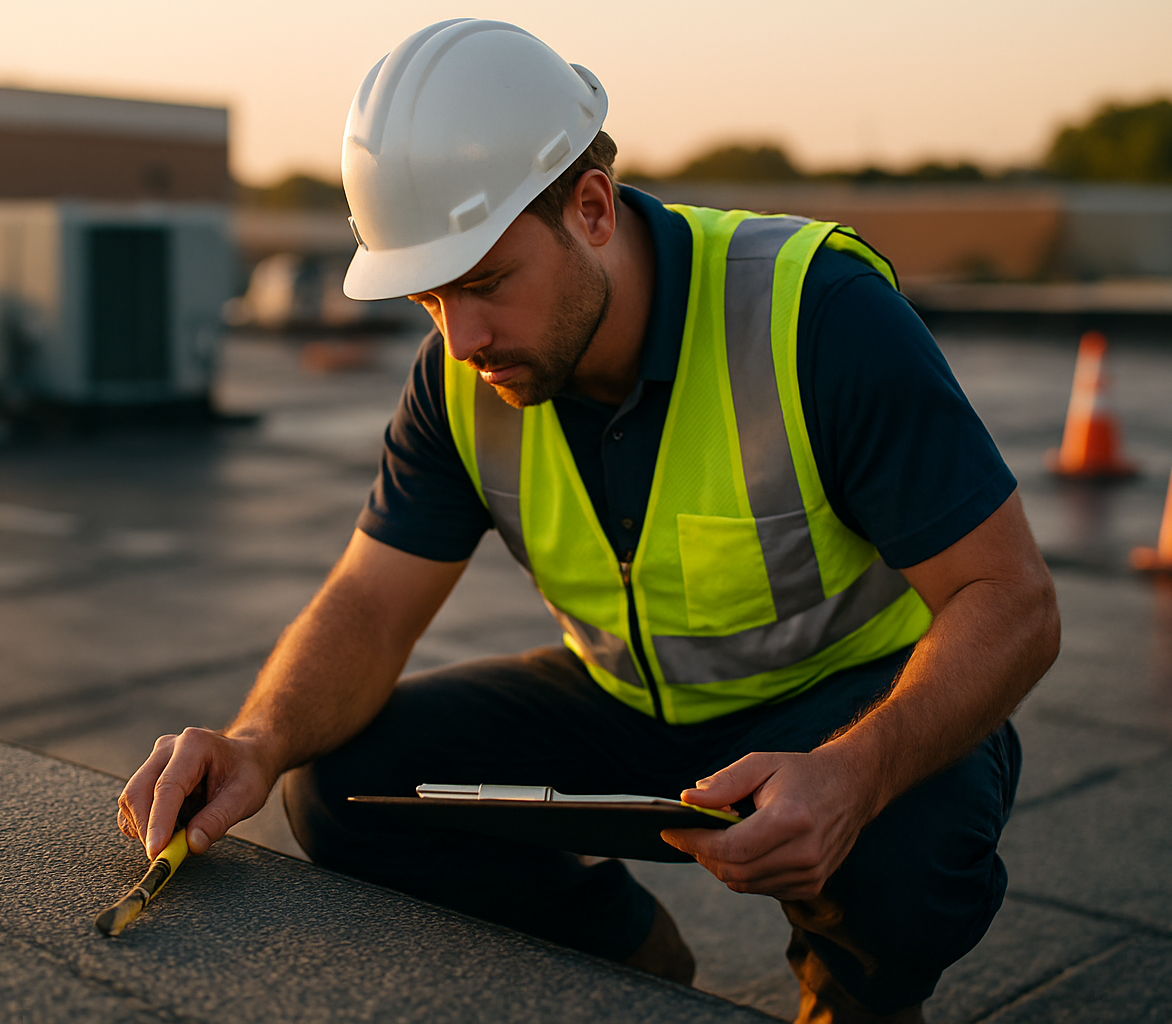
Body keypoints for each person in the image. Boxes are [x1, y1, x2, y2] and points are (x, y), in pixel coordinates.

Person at [118, 19, 1059, 1022]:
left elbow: (1013, 601)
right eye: (431, 297)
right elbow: (370, 602)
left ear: (594, 207)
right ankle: (627, 959)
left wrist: (856, 772)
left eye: (484, 282)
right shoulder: (460, 373)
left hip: (838, 706)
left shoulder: (815, 312)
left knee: (911, 842)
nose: (463, 335)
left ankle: (851, 1001)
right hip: (624, 709)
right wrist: (258, 739)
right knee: (338, 782)